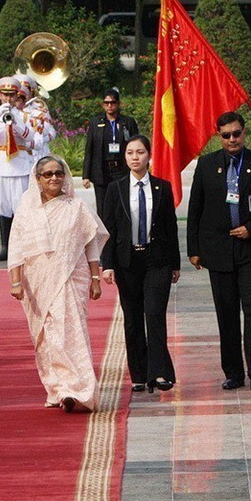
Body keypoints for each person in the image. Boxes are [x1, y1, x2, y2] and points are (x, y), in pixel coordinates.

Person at [186, 111, 251, 391]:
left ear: (244, 133)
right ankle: (233, 372)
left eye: (237, 133)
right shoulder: (207, 165)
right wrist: (194, 248)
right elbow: (195, 209)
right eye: (226, 135)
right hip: (218, 251)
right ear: (219, 136)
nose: (233, 139)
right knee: (226, 313)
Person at [8, 155, 109, 412]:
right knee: (47, 336)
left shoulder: (76, 207)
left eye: (59, 173)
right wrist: (16, 282)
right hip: (37, 282)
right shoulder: (27, 209)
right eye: (48, 174)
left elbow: (91, 245)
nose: (54, 178)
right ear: (38, 179)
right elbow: (17, 247)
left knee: (71, 333)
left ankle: (77, 388)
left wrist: (96, 279)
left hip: (72, 278)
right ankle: (58, 387)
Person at [101, 136, 180, 393]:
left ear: (149, 156)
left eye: (140, 152)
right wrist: (108, 264)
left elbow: (170, 227)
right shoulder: (116, 189)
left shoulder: (162, 187)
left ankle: (159, 372)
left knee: (155, 314)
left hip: (157, 260)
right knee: (133, 318)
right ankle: (138, 373)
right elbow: (109, 228)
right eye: (130, 153)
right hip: (127, 261)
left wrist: (175, 263)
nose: (135, 157)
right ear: (125, 157)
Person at [0, 76, 39, 262]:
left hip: (19, 165)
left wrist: (15, 120)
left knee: (20, 207)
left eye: (12, 95)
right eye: (4, 95)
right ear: (0, 96)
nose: (8, 99)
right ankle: (6, 246)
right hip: (0, 165)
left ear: (17, 96)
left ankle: (23, 246)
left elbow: (29, 136)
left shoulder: (24, 116)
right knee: (3, 206)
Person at [82, 88, 139, 216]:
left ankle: (121, 234)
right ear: (103, 104)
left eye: (113, 102)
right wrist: (86, 175)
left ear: (118, 104)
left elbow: (137, 145)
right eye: (106, 103)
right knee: (103, 208)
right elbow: (89, 150)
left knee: (121, 206)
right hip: (102, 171)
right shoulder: (95, 122)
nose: (109, 106)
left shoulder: (128, 122)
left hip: (121, 170)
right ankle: (105, 235)